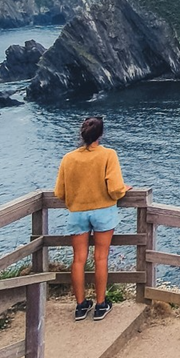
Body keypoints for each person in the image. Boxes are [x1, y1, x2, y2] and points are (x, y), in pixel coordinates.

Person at [54, 116, 129, 321]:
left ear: (82, 134)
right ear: (101, 135)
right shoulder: (108, 155)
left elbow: (59, 192)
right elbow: (114, 188)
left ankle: (80, 306)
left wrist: (76, 200)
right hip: (103, 211)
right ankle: (100, 305)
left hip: (77, 212)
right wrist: (123, 190)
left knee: (78, 259)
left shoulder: (68, 158)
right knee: (101, 258)